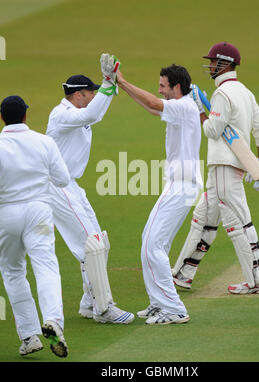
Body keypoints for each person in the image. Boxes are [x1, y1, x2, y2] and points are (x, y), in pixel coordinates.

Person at [172, 42, 259, 294]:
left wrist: (197, 109)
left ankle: (258, 278)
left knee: (238, 221)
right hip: (234, 166)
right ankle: (183, 272)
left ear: (226, 64)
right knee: (204, 218)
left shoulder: (222, 94)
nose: (211, 66)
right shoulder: (246, 93)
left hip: (223, 167)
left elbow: (211, 131)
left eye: (214, 62)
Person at [46, 54, 134, 324]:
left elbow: (97, 112)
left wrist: (109, 84)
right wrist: (108, 83)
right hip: (56, 186)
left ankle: (88, 301)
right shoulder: (62, 114)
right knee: (91, 245)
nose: (94, 96)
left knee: (99, 242)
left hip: (71, 185)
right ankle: (104, 308)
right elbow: (94, 113)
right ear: (79, 95)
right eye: (91, 93)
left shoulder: (79, 112)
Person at [117, 64, 203, 324]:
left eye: (164, 86)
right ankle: (159, 303)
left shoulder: (184, 107)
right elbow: (152, 107)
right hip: (179, 185)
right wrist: (122, 85)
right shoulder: (183, 106)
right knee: (153, 242)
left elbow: (154, 104)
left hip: (182, 185)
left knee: (152, 244)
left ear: (177, 87)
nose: (160, 90)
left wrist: (122, 81)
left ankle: (174, 308)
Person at [0, 95, 70, 357]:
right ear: (26, 115)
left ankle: (29, 336)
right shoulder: (44, 142)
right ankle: (53, 320)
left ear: (2, 117)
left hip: (5, 214)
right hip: (38, 212)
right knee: (46, 267)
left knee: (13, 271)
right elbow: (63, 180)